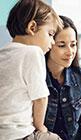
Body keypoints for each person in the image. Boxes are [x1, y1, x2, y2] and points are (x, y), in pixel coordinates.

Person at [0, 0, 63, 139]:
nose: (52, 42)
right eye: (51, 34)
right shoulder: (33, 53)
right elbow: (40, 97)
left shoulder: (3, 53)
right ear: (32, 27)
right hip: (19, 134)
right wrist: (40, 127)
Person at [44, 15, 81, 140]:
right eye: (62, 45)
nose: (70, 52)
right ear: (49, 44)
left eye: (73, 45)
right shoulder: (36, 77)